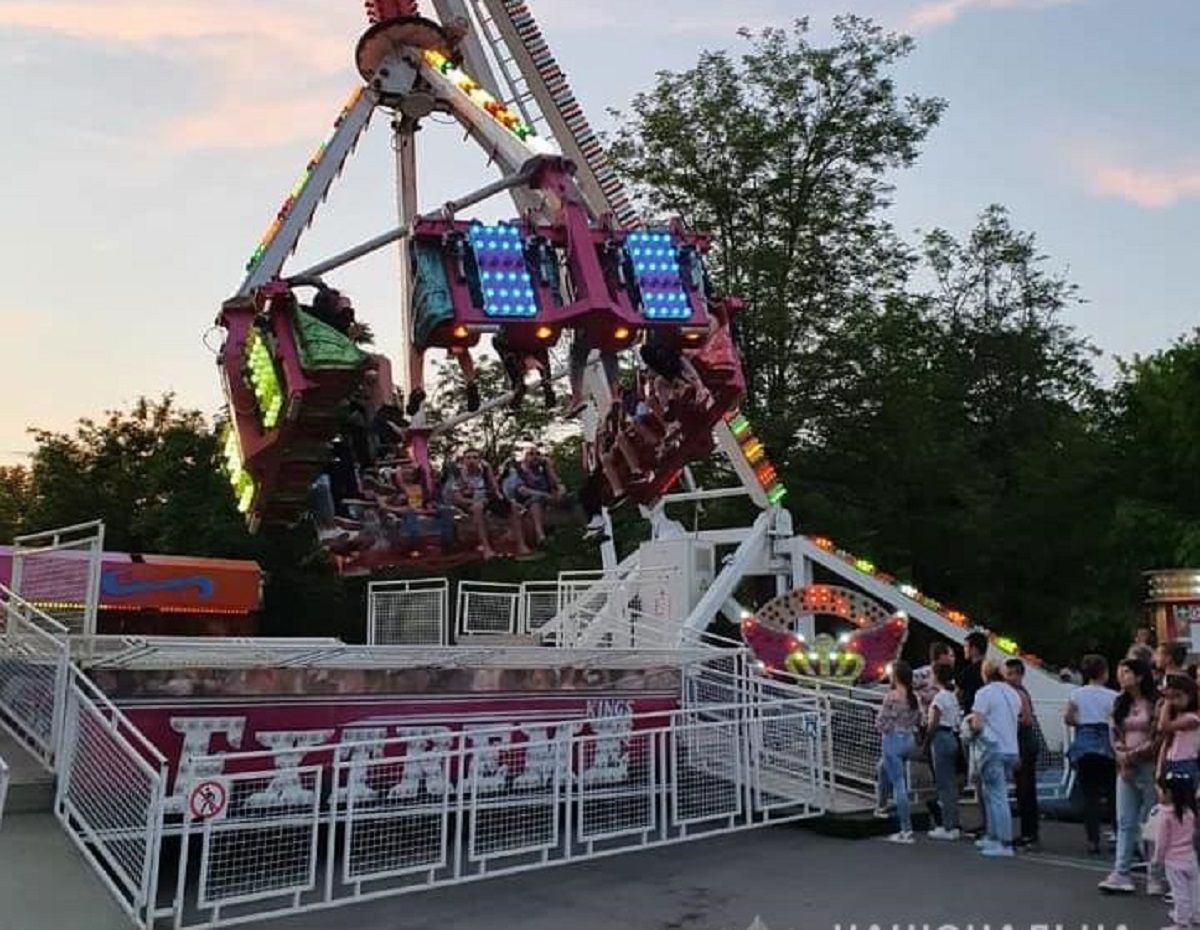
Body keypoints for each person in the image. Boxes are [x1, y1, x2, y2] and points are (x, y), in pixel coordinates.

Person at [1099, 657, 1161, 895]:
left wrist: (1134, 755)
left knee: (1150, 821)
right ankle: (1121, 872)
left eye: (1127, 672)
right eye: (1120, 672)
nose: (1122, 676)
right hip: (1125, 766)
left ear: (1140, 676)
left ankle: (1155, 873)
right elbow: (1114, 733)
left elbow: (1157, 737)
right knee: (1125, 821)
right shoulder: (1118, 703)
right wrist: (1122, 756)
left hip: (1149, 766)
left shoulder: (1155, 702)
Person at [967, 660, 1022, 857]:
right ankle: (993, 836)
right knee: (994, 794)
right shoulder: (1013, 694)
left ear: (985, 674)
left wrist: (969, 728)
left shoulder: (984, 693)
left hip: (992, 748)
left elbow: (978, 723)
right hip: (1011, 749)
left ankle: (1003, 842)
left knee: (996, 796)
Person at [1066, 654, 1117, 855]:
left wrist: (1081, 722)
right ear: (1104, 673)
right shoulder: (1113, 696)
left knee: (1090, 795)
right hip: (1106, 742)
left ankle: (1092, 839)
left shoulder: (1077, 694)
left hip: (1085, 743)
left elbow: (1068, 717)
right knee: (1113, 793)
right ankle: (1117, 833)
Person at [442, 448, 530, 560]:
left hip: (486, 500)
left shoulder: (483, 471)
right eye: (468, 458)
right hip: (468, 503)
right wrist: (475, 501)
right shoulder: (457, 475)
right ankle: (486, 548)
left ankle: (521, 545)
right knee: (478, 508)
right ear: (464, 460)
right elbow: (458, 499)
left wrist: (489, 472)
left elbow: (495, 491)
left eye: (475, 458)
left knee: (512, 505)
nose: (471, 461)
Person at [874, 660, 922, 844]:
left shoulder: (892, 696)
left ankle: (906, 829)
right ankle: (881, 806)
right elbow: (919, 719)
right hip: (908, 739)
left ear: (896, 676)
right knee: (883, 768)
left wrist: (883, 727)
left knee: (899, 783)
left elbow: (881, 721)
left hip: (892, 739)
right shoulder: (913, 696)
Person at [1151, 772, 1199, 930]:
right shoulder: (1190, 813)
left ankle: (1182, 923)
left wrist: (1157, 860)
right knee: (1194, 890)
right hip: (1190, 857)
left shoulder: (1165, 816)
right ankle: (1195, 916)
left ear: (1169, 794)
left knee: (1180, 893)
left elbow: (1161, 842)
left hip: (1173, 860)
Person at [1003, 658, 1041, 850]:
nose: (1009, 678)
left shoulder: (1019, 694)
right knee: (1022, 789)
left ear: (1020, 675)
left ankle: (1030, 833)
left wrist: (1010, 723)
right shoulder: (1016, 693)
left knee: (1026, 789)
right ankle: (1028, 832)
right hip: (1022, 744)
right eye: (1007, 674)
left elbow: (1026, 720)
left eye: (1012, 674)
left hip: (1025, 744)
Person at [926, 663, 962, 841]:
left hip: (941, 737)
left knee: (943, 784)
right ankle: (954, 823)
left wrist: (926, 742)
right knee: (951, 784)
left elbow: (933, 723)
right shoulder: (952, 696)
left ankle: (947, 826)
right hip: (953, 736)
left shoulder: (939, 698)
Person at [1157, 673, 1200, 783]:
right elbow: (1166, 743)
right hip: (1170, 762)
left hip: (1186, 763)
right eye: (1171, 697)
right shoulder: (1175, 717)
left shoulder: (1192, 719)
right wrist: (1159, 769)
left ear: (1190, 696)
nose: (1174, 702)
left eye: (1178, 696)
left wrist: (1166, 702)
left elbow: (1163, 726)